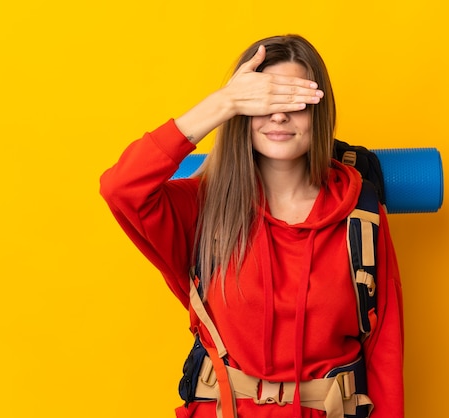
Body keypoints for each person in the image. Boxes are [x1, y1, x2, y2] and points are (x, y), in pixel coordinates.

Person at [100, 34, 404, 418]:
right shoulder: (203, 209)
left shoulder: (360, 214)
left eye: (294, 101)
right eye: (263, 101)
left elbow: (385, 353)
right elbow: (120, 187)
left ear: (319, 112)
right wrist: (222, 102)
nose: (278, 116)